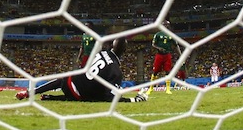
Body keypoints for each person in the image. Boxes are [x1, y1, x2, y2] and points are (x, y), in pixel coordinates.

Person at [16, 38, 148, 103]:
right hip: (80, 95)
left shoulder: (101, 53)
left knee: (64, 79)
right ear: (124, 52)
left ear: (112, 45)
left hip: (69, 82)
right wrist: (133, 100)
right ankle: (51, 97)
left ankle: (31, 92)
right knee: (95, 96)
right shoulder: (116, 72)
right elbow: (109, 97)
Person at [148, 21, 181, 93]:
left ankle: (168, 89)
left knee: (168, 71)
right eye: (164, 25)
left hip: (167, 55)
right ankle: (151, 88)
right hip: (159, 55)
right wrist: (159, 48)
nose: (165, 26)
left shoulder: (171, 35)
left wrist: (180, 55)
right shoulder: (158, 34)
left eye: (166, 25)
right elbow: (153, 44)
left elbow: (176, 45)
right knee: (155, 71)